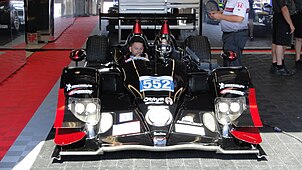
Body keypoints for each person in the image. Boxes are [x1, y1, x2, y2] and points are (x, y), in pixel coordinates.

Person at [209, 0, 249, 67]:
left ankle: (233, 77)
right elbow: (231, 13)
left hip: (235, 35)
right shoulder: (230, 1)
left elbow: (239, 18)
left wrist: (220, 16)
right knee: (228, 60)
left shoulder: (240, 1)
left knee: (232, 63)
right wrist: (219, 13)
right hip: (230, 35)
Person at [270, 0, 296, 75]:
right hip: (282, 18)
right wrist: (291, 24)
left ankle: (275, 64)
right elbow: (284, 8)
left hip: (278, 16)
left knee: (276, 41)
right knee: (280, 42)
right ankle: (280, 67)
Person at [292, 0, 302, 68]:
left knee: (298, 38)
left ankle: (298, 60)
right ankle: (297, 60)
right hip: (298, 14)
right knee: (298, 38)